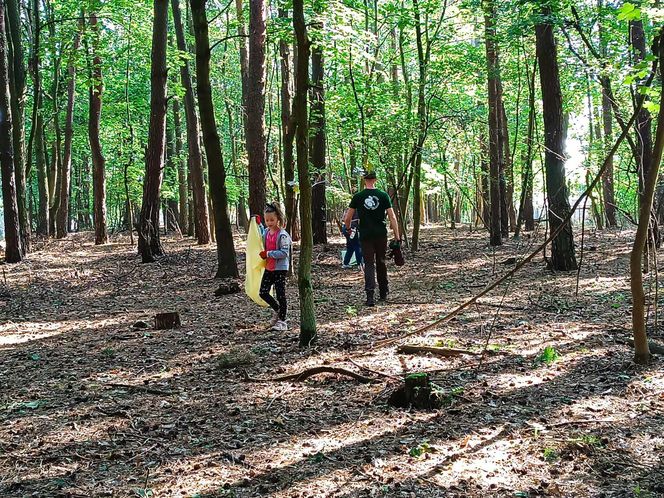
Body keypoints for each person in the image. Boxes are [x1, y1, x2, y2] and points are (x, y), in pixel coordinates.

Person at [344, 170, 400, 306]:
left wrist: (348, 228)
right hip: (381, 234)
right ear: (375, 180)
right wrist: (397, 236)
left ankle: (370, 296)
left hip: (365, 235)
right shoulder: (383, 195)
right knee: (381, 262)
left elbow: (348, 217)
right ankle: (383, 292)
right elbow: (392, 217)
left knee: (369, 264)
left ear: (364, 180)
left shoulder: (358, 196)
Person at [254, 202, 292, 331]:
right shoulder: (266, 232)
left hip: (280, 268)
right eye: (267, 220)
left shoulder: (283, 235)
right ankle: (277, 310)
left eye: (272, 220)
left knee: (281, 294)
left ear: (278, 219)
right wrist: (258, 224)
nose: (269, 222)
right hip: (269, 267)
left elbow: (284, 252)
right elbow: (259, 236)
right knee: (263, 292)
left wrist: (268, 253)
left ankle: (282, 321)